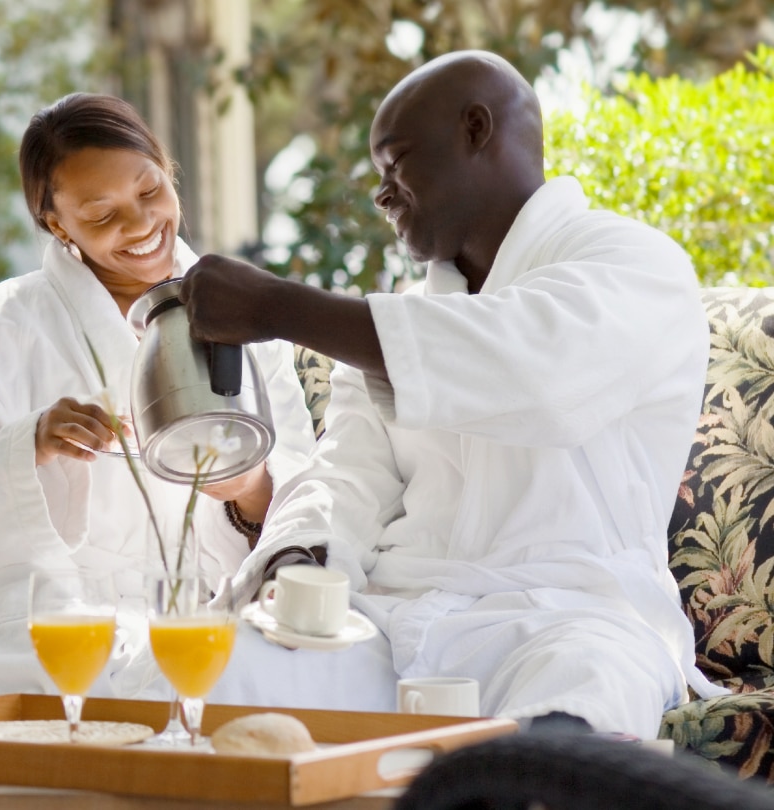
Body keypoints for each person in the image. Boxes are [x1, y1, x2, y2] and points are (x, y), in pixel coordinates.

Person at [182, 50, 726, 737]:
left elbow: (533, 372)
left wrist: (276, 307)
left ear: (476, 129)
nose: (381, 196)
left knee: (577, 707)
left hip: (570, 618)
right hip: (392, 618)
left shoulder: (635, 263)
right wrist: (300, 551)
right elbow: (347, 475)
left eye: (396, 163)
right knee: (213, 676)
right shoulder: (392, 324)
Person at [0, 93, 319, 701]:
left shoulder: (242, 314)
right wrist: (28, 446)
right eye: (101, 213)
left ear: (167, 169)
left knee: (290, 663)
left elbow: (309, 497)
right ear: (56, 222)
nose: (139, 225)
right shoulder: (0, 324)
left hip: (196, 609)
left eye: (149, 191)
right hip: (43, 614)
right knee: (79, 671)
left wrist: (248, 490)